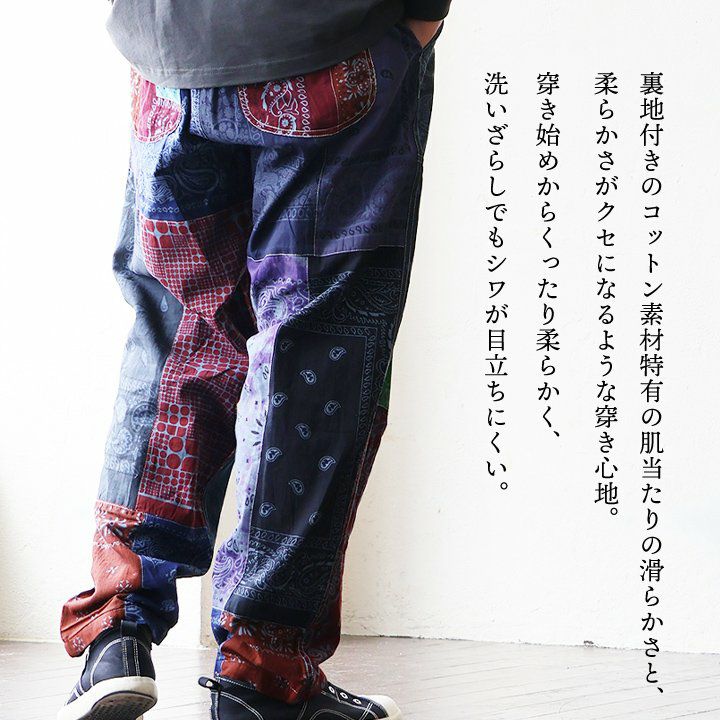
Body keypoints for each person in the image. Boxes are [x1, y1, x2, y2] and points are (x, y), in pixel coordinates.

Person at [57, 1, 450, 718]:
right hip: (335, 42)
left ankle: (116, 631)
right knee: (318, 346)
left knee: (178, 333)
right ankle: (263, 666)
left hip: (171, 48)